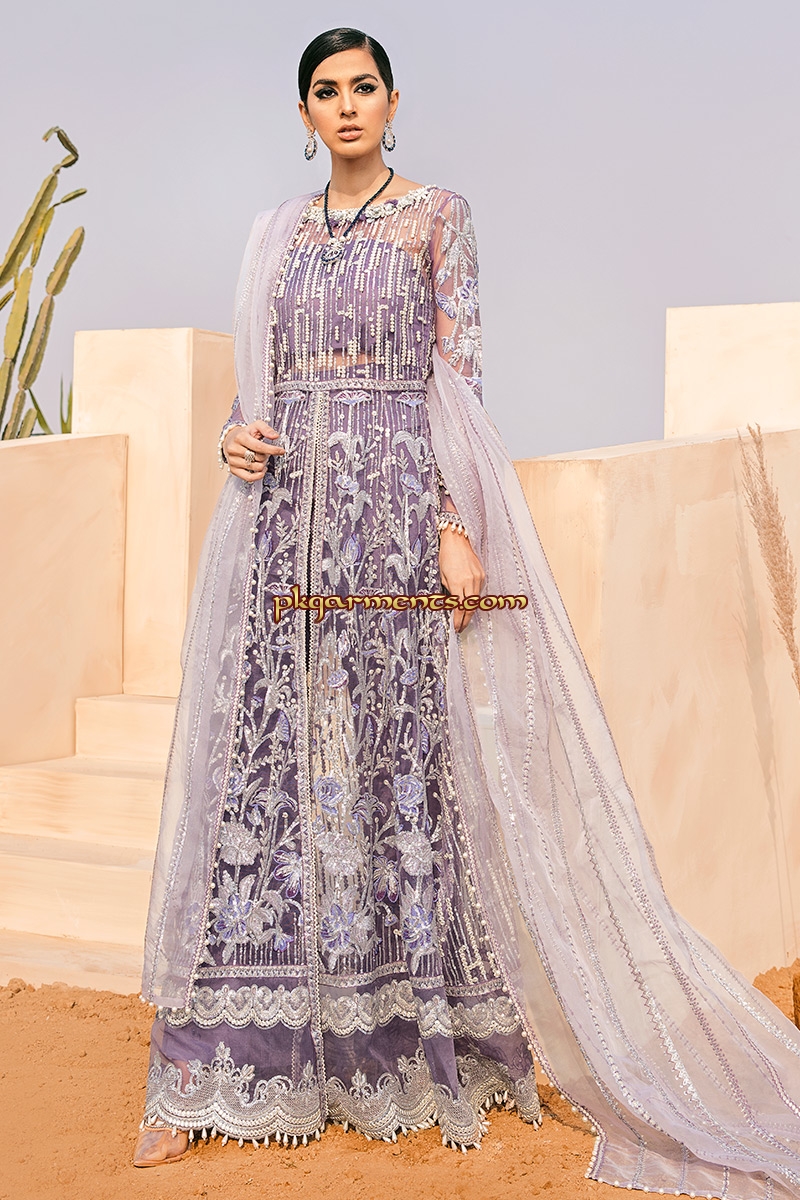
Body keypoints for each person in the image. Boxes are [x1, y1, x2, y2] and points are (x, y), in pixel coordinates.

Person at [132, 27, 800, 1199]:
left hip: (395, 510)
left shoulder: (437, 217)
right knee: (264, 775)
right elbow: (259, 379)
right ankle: (210, 1070)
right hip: (284, 520)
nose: (346, 106)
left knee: (401, 764)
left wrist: (456, 522)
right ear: (303, 114)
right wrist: (236, 434)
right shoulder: (275, 234)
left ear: (392, 102)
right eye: (325, 91)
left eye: (364, 88)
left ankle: (409, 1047)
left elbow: (460, 374)